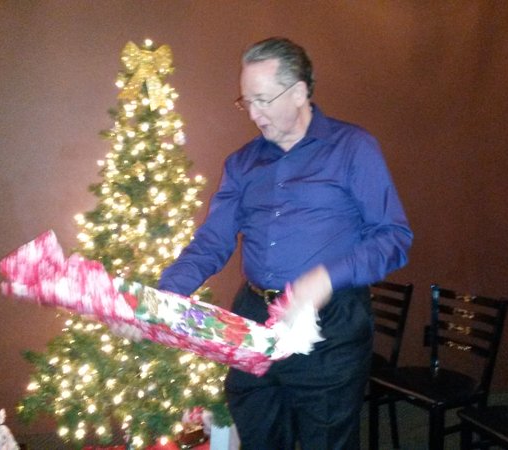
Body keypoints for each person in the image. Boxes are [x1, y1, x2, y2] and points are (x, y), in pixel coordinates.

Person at [158, 37, 413, 450]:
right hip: (254, 322)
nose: (253, 113)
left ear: (298, 92)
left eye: (262, 100)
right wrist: (162, 298)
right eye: (246, 102)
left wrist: (325, 279)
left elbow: (393, 237)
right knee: (258, 438)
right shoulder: (241, 163)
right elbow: (211, 242)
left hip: (330, 325)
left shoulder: (353, 147)